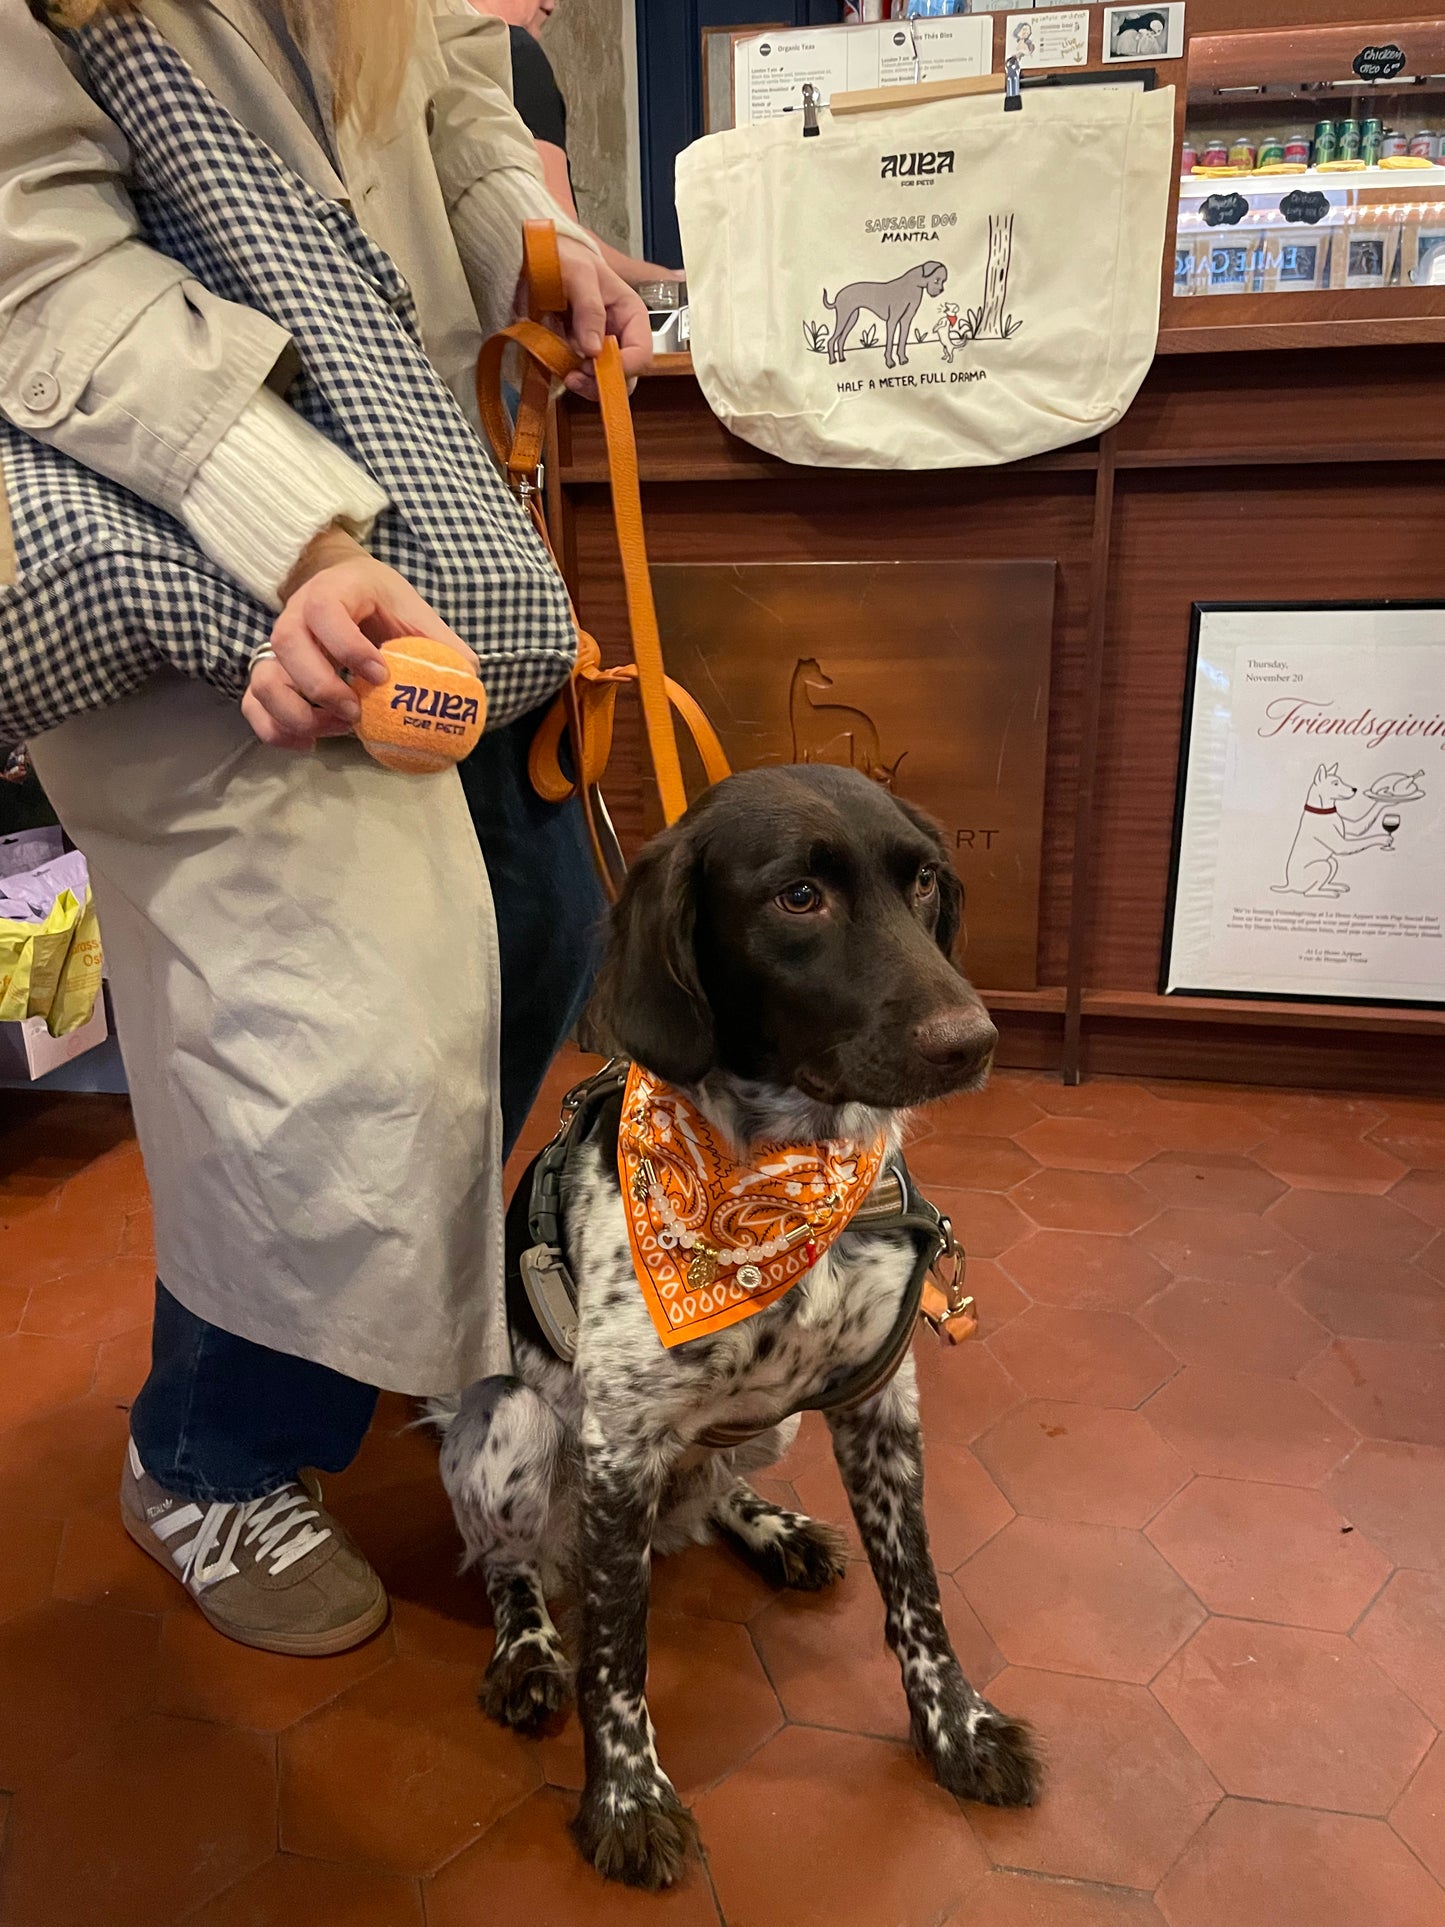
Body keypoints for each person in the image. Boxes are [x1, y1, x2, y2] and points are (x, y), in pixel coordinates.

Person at [3, 0, 650, 1657]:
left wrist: (536, 236)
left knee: (531, 932)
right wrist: (292, 537)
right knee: (338, 1043)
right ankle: (205, 1454)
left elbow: (442, 91)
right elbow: (41, 261)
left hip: (430, 511)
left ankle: (357, 1339)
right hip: (178, 531)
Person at [481, 0, 684, 289]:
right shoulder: (517, 55)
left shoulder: (429, 63)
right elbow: (556, 234)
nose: (552, 5)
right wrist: (671, 280)